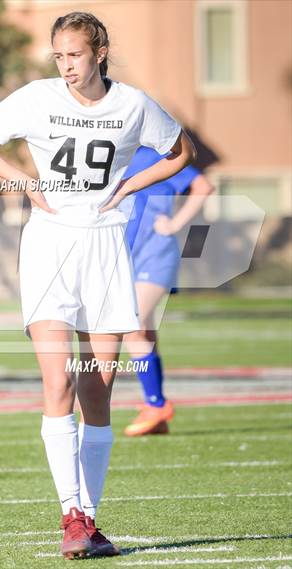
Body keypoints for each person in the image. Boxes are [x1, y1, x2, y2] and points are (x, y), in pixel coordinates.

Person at [0, 11, 196, 559]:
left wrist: (134, 181)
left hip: (107, 250)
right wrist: (20, 181)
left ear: (100, 52)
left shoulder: (133, 105)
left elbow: (182, 153)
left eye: (75, 55)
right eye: (59, 55)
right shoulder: (37, 97)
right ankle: (70, 515)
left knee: (98, 389)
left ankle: (88, 520)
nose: (66, 66)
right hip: (49, 249)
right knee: (60, 380)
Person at [121, 146, 214, 436]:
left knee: (131, 326)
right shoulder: (112, 152)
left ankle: (156, 403)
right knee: (145, 331)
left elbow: (203, 186)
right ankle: (157, 413)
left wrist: (174, 223)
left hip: (155, 254)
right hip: (126, 256)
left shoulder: (152, 154)